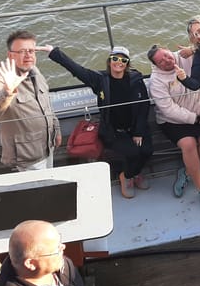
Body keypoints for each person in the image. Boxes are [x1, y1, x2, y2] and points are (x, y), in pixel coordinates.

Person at [43, 45, 152, 199]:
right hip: (113, 131)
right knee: (133, 153)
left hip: (135, 128)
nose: (118, 62)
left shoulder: (136, 79)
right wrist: (54, 53)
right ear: (109, 61)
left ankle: (135, 172)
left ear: (127, 63)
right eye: (115, 58)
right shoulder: (100, 80)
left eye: (123, 60)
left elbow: (144, 105)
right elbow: (77, 70)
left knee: (147, 151)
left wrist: (138, 132)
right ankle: (127, 176)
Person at [148, 44, 200, 212]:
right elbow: (168, 110)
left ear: (168, 49)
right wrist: (197, 119)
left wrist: (194, 49)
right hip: (174, 121)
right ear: (156, 65)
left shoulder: (186, 56)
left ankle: (186, 172)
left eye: (166, 55)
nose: (166, 60)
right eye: (160, 61)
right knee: (188, 144)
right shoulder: (156, 81)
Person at [0, 30, 62, 172]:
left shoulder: (35, 72)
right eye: (22, 51)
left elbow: (47, 105)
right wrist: (7, 92)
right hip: (26, 157)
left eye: (31, 51)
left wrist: (56, 129)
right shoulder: (1, 79)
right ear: (10, 55)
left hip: (47, 147)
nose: (28, 55)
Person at [0, 220, 84, 286]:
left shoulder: (63, 265)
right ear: (31, 264)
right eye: (56, 250)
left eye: (59, 243)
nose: (63, 247)